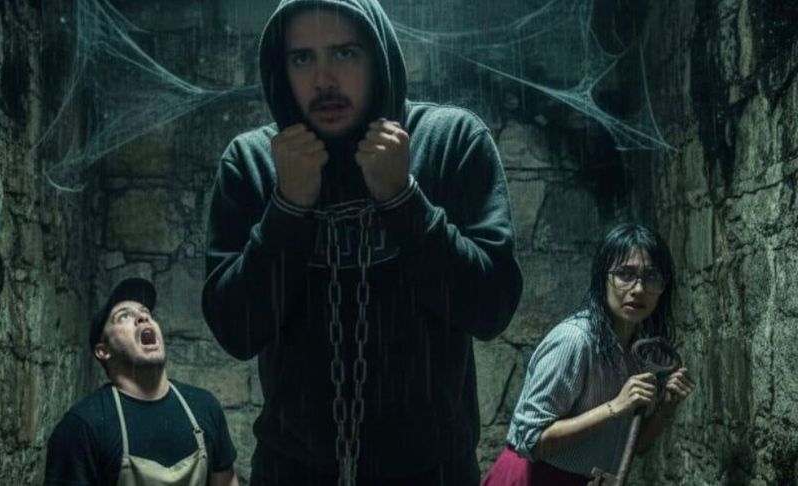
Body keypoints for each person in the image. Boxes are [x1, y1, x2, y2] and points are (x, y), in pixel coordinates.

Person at [201, 0, 524, 484]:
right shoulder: (253, 162)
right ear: (281, 68)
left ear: (377, 56)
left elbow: (490, 309)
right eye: (302, 58)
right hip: (294, 472)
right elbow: (236, 332)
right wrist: (287, 208)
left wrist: (402, 199)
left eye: (344, 53)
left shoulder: (450, 141)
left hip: (433, 472)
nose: (324, 79)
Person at [482, 223, 696, 485]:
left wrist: (666, 408)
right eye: (625, 274)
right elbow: (531, 440)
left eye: (651, 277)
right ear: (603, 278)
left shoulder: (644, 351)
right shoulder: (575, 340)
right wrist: (615, 407)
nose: (639, 289)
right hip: (532, 479)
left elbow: (631, 447)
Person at [45, 278, 239, 486]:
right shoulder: (81, 427)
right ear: (103, 351)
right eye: (124, 316)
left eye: (146, 312)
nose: (143, 317)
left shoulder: (204, 406)